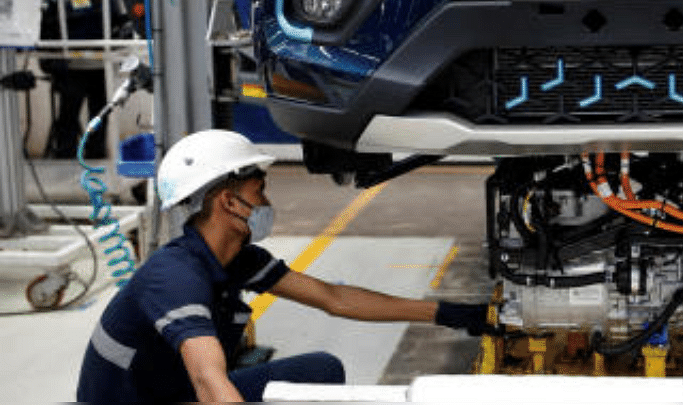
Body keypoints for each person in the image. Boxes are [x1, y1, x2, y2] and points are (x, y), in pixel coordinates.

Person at [76, 129, 495, 403]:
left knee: (321, 370)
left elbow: (334, 298)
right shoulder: (174, 277)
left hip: (171, 390)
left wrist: (447, 313)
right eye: (259, 191)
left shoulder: (234, 259)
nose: (267, 204)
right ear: (228, 202)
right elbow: (208, 380)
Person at [40, 0, 129, 159]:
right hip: (74, 56)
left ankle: (95, 154)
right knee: (70, 109)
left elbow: (109, 9)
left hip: (99, 54)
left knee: (99, 110)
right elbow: (81, 8)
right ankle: (66, 154)